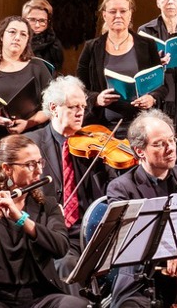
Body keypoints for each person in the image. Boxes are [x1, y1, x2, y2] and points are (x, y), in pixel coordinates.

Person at [0, 135, 91, 308]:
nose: (39, 171)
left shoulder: (47, 206)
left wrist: (21, 219)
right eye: (30, 164)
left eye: (39, 162)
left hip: (39, 296)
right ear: (7, 168)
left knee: (74, 305)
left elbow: (61, 247)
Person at [102, 111, 177, 308]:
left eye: (172, 140)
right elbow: (127, 239)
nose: (170, 148)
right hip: (142, 280)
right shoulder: (122, 188)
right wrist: (169, 251)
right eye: (159, 144)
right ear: (140, 151)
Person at [25, 75, 115, 284]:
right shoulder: (31, 145)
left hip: (95, 232)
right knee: (66, 265)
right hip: (56, 235)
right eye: (74, 106)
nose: (80, 112)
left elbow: (112, 189)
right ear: (54, 108)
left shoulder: (94, 144)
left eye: (83, 106)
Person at [0, 16, 57, 193]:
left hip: (30, 142)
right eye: (12, 32)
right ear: (2, 36)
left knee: (30, 194)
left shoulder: (37, 68)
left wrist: (29, 123)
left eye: (23, 34)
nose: (17, 37)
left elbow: (51, 107)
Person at [77, 0, 165, 135]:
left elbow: (161, 85)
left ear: (130, 14)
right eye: (112, 11)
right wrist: (96, 99)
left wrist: (152, 98)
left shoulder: (147, 44)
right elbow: (79, 86)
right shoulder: (91, 47)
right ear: (104, 15)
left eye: (123, 11)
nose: (118, 15)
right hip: (102, 127)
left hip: (142, 125)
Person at [25, 0, 65, 72]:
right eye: (32, 20)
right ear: (24, 19)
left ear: (48, 22)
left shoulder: (54, 46)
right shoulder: (16, 40)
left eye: (42, 21)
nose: (37, 25)